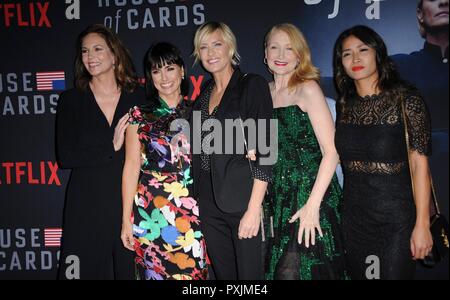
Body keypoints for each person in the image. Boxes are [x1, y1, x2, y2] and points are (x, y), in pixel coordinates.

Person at [334, 25, 434, 280]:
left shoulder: (407, 100)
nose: (355, 59)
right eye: (347, 53)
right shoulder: (345, 105)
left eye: (363, 50)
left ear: (378, 54)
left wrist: (422, 224)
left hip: (396, 221)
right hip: (355, 221)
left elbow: (419, 165)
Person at [56, 24, 145, 280]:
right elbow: (66, 156)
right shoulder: (71, 100)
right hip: (87, 205)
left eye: (97, 49)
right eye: (85, 51)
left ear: (114, 55)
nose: (90, 57)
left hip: (131, 205)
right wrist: (111, 146)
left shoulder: (139, 97)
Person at [263, 23, 347, 280]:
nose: (280, 55)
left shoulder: (307, 88)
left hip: (311, 194)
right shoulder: (261, 93)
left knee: (303, 270)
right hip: (277, 198)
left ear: (300, 55)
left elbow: (332, 151)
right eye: (274, 47)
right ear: (265, 54)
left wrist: (312, 205)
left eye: (289, 49)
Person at [191, 21, 273, 280]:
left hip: (242, 201)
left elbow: (266, 149)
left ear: (230, 48)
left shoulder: (251, 85)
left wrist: (253, 209)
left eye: (217, 44)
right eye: (203, 47)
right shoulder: (203, 96)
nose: (211, 52)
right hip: (207, 201)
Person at [121, 42, 209, 280]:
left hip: (193, 215)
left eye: (169, 68)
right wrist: (126, 221)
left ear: (182, 71)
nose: (164, 77)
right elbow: (131, 168)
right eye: (156, 71)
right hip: (151, 216)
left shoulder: (201, 112)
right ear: (150, 77)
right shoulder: (138, 116)